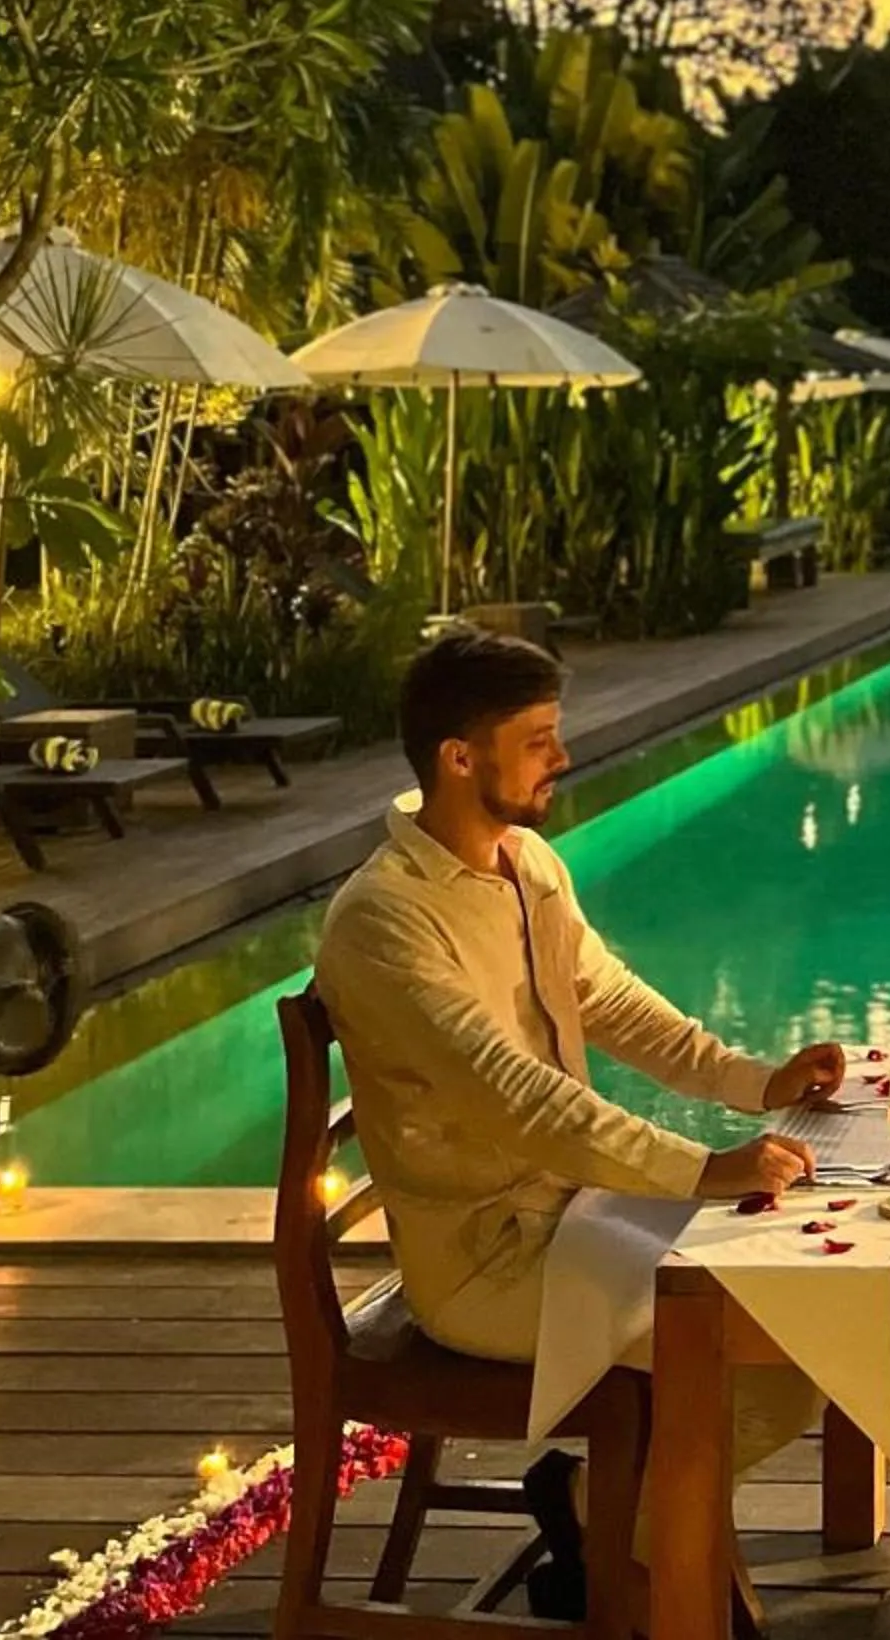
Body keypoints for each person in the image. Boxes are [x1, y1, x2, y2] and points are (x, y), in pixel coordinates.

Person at [316, 627, 847, 1614]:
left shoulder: (526, 864)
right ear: (458, 757)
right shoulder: (383, 922)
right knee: (762, 1348)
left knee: (792, 1325)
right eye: (538, 738)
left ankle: (607, 1524)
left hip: (576, 1217)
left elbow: (609, 1000)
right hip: (485, 1261)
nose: (562, 757)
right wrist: (704, 1170)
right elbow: (520, 1100)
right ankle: (649, 1581)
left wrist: (755, 1080)